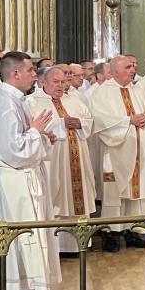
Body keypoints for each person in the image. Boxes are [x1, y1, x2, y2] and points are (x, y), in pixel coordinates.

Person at [0, 52, 59, 290]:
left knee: (24, 239)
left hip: (19, 179)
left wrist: (41, 136)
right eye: (30, 70)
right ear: (15, 73)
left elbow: (22, 140)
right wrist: (36, 132)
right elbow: (13, 150)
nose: (34, 75)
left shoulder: (14, 99)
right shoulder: (6, 103)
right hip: (13, 182)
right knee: (14, 241)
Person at [90, 55, 145, 251]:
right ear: (114, 72)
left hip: (140, 149)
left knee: (138, 191)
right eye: (128, 67)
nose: (133, 70)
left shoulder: (138, 90)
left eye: (132, 66)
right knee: (115, 193)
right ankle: (111, 233)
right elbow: (100, 120)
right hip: (115, 151)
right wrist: (129, 121)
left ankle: (134, 229)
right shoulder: (103, 92)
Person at [26, 65, 94, 256]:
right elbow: (32, 128)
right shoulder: (32, 102)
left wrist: (80, 123)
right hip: (53, 159)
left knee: (77, 200)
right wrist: (61, 123)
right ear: (43, 82)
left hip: (78, 156)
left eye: (63, 82)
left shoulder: (73, 99)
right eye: (56, 82)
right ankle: (55, 247)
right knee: (55, 198)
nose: (60, 86)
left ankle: (77, 245)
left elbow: (89, 119)